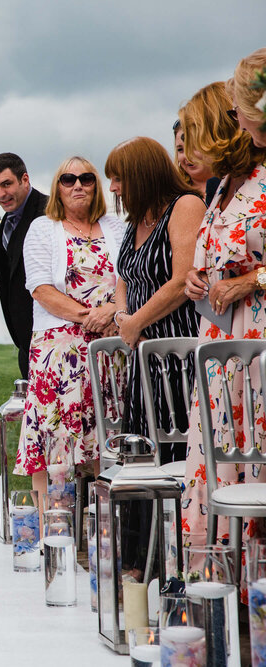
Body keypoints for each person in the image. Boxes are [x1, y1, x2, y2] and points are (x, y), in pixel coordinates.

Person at [181, 60, 266, 548]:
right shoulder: (223, 188)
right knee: (218, 456)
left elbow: (252, 267)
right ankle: (219, 574)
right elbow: (217, 255)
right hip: (219, 347)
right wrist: (199, 278)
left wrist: (251, 280)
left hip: (256, 344)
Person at [14, 157, 125, 508]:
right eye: (68, 179)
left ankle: (100, 534)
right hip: (59, 350)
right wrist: (89, 316)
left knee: (103, 440)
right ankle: (55, 531)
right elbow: (40, 288)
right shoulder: (43, 227)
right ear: (57, 188)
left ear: (96, 186)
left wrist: (113, 313)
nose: (78, 185)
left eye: (87, 178)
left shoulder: (117, 225)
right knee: (55, 441)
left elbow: (129, 278)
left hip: (111, 346)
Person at [105, 137, 203, 451]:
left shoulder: (185, 206)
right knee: (141, 456)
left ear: (141, 174)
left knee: (175, 453)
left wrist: (134, 324)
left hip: (178, 356)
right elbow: (124, 277)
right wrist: (123, 318)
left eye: (118, 178)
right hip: (143, 356)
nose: (113, 188)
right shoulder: (135, 220)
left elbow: (180, 282)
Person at [0, 153, 49, 379]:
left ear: (25, 179)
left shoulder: (51, 212)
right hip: (27, 346)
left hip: (53, 341)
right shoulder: (6, 222)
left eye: (6, 184)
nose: (1, 194)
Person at [172, 119, 218, 204]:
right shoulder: (172, 194)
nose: (187, 156)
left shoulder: (233, 184)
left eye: (194, 147)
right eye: (180, 149)